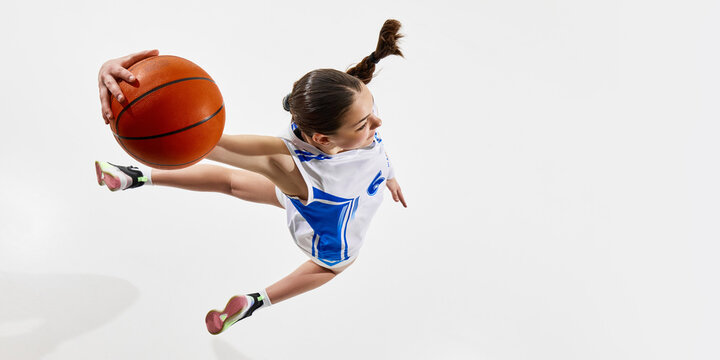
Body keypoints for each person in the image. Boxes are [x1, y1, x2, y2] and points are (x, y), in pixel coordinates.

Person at [95, 19, 407, 335]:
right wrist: (129, 92)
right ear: (322, 140)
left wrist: (389, 175)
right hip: (330, 225)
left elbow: (375, 148)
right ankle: (254, 301)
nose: (377, 123)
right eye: (364, 124)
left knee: (229, 183)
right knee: (333, 268)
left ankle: (133, 177)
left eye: (371, 111)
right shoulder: (289, 166)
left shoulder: (348, 103)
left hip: (316, 193)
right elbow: (201, 140)